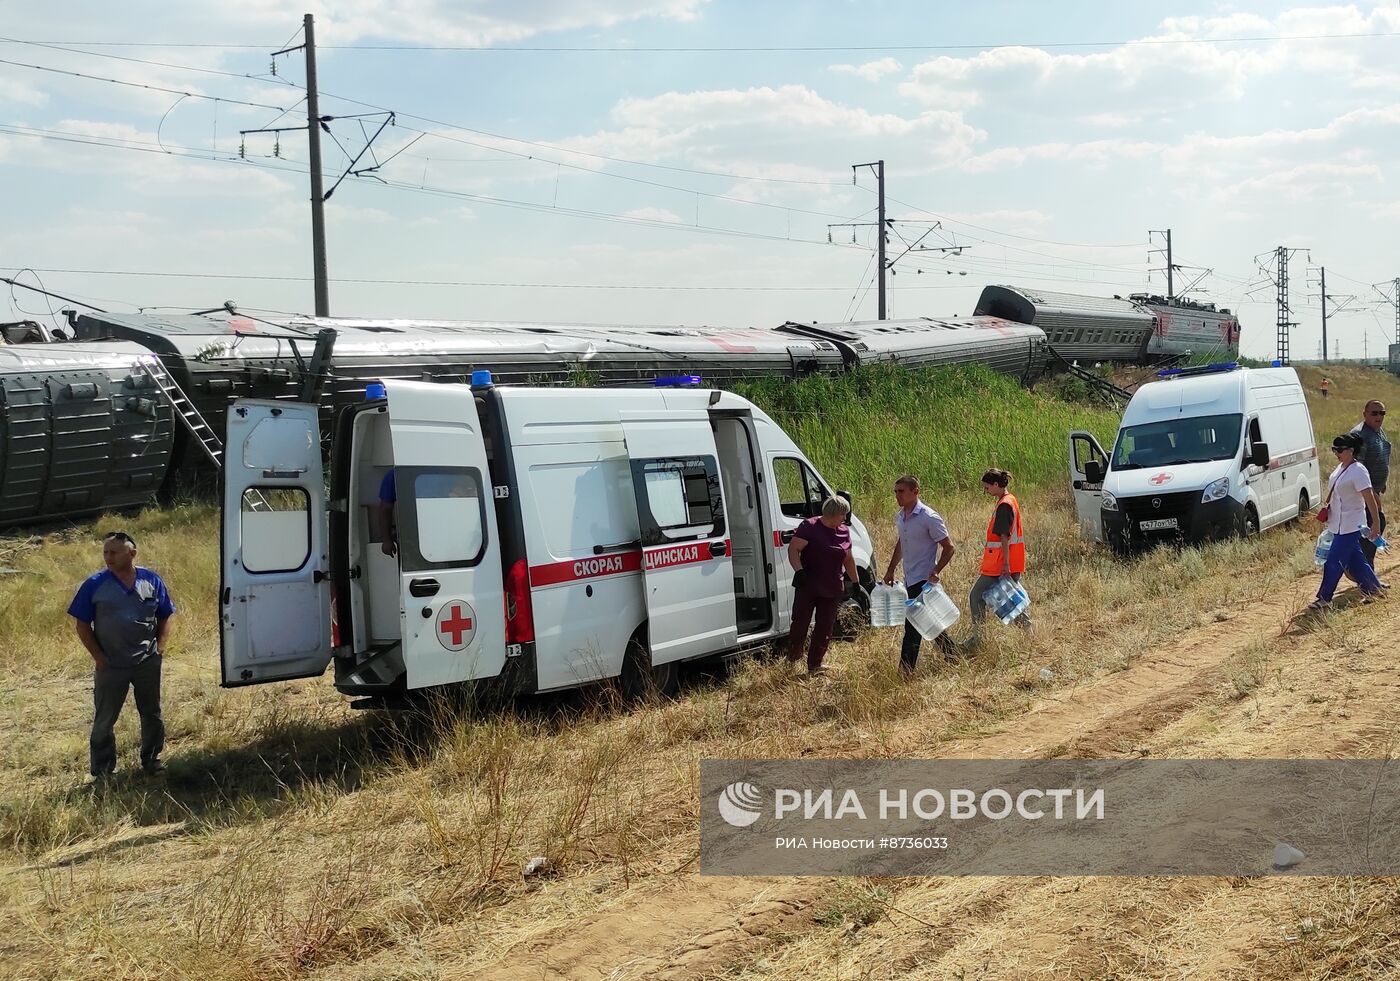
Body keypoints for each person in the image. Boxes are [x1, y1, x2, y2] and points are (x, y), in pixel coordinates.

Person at [68, 531, 176, 779]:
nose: (108, 557)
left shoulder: (151, 580)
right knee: (105, 718)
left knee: (152, 713)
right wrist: (98, 657)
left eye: (114, 552)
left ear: (132, 554)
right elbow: (82, 624)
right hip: (111, 664)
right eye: (105, 552)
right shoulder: (95, 584)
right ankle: (104, 771)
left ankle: (152, 759)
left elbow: (165, 614)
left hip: (146, 660)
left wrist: (159, 646)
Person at [881, 474, 957, 675]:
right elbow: (902, 543)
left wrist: (936, 570)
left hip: (923, 579)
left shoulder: (928, 517)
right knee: (929, 621)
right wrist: (891, 569)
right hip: (909, 577)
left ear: (915, 492)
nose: (898, 496)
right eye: (896, 492)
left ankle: (904, 673)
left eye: (902, 492)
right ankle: (953, 656)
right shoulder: (901, 516)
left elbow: (949, 548)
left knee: (912, 628)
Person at [1309, 433, 1384, 610]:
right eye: (1334, 449)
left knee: (1334, 561)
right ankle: (1374, 589)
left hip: (1352, 524)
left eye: (1340, 449)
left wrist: (1376, 523)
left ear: (1351, 450)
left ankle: (1324, 598)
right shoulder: (1341, 468)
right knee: (1354, 560)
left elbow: (1369, 498)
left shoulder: (1358, 470)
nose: (1337, 452)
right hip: (1337, 524)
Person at [787, 496, 861, 675]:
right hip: (808, 585)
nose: (844, 518)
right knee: (800, 623)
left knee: (825, 626)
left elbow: (848, 558)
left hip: (833, 586)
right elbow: (793, 549)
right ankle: (793, 656)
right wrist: (799, 570)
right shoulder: (810, 527)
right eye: (843, 514)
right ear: (834, 513)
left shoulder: (844, 531)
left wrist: (856, 581)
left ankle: (815, 664)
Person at [968, 468, 1031, 630]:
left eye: (987, 487)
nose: (985, 491)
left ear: (996, 484)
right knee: (1006, 598)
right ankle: (1027, 629)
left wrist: (1006, 565)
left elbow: (1004, 536)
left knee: (977, 596)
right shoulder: (1010, 500)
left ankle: (979, 637)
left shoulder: (1004, 505)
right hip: (1007, 561)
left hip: (1000, 564)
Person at [1350, 399, 1390, 574]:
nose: (1378, 416)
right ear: (1364, 414)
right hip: (1364, 492)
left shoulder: (1378, 432)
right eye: (1374, 413)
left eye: (1382, 413)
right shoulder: (1360, 435)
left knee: (1374, 526)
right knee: (1374, 525)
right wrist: (1372, 493)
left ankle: (1363, 569)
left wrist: (1382, 483)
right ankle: (1364, 572)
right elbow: (1358, 468)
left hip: (1374, 488)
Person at [375, 468, 398, 557]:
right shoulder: (393, 475)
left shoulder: (393, 474)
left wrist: (386, 541)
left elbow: (385, 509)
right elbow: (385, 509)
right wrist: (387, 540)